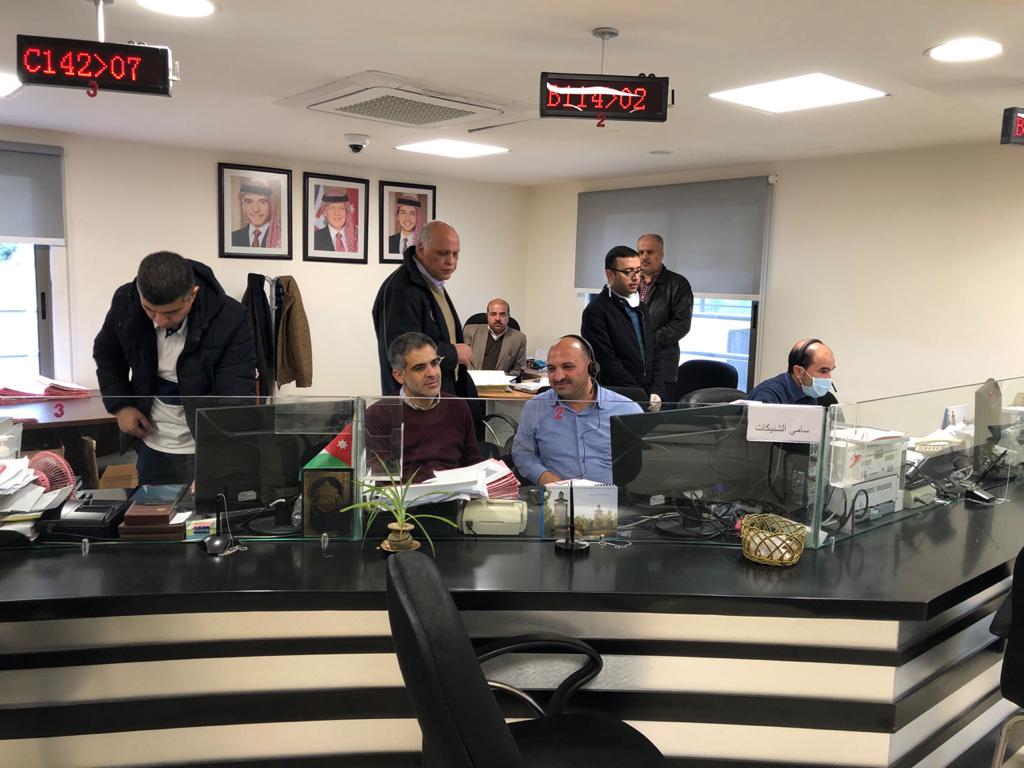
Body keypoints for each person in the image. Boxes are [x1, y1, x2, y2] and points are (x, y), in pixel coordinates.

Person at [93, 251, 257, 485]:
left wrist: (218, 459)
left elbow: (236, 393)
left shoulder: (231, 318)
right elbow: (108, 354)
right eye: (150, 310)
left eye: (171, 313)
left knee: (206, 508)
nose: (159, 321)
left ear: (193, 295)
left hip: (205, 445)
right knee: (151, 507)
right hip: (151, 441)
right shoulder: (126, 301)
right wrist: (121, 406)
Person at [512, 336, 641, 486]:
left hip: (613, 497)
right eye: (551, 369)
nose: (558, 377)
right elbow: (523, 452)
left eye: (567, 367)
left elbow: (645, 464)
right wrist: (542, 476)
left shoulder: (627, 410)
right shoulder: (536, 407)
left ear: (590, 368)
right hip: (558, 496)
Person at [371, 220, 474, 396]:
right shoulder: (402, 289)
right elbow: (402, 352)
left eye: (455, 254)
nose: (451, 261)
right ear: (421, 250)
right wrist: (452, 353)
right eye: (443, 253)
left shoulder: (432, 282)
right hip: (417, 400)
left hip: (438, 394)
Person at [365, 332, 481, 482]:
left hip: (455, 492)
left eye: (434, 363)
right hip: (405, 495)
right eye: (419, 368)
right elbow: (383, 480)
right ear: (399, 376)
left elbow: (473, 462)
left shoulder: (458, 406)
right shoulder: (378, 414)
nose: (432, 373)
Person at [580, 245, 663, 409]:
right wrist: (640, 394)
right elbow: (607, 363)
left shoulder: (642, 308)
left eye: (638, 271)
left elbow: (654, 352)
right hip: (617, 397)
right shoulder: (596, 311)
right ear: (610, 274)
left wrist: (656, 390)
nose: (636, 278)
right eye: (628, 272)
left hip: (646, 397)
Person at [636, 233, 694, 388]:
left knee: (659, 404)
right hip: (630, 366)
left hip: (662, 366)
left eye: (650, 252)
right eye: (640, 252)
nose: (644, 257)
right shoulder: (629, 282)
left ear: (661, 254)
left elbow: (681, 324)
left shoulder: (678, 284)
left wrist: (648, 341)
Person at [747, 338, 838, 406]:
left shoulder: (826, 400)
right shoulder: (768, 397)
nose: (829, 377)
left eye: (831, 370)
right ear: (799, 371)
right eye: (823, 371)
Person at [464, 298, 527, 378]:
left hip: (501, 384)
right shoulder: (470, 331)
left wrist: (498, 379)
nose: (498, 318)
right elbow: (463, 362)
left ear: (508, 317)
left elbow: (518, 370)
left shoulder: (520, 338)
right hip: (472, 382)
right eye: (493, 314)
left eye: (502, 314)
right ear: (487, 316)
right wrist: (477, 378)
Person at [230, 179, 281, 248]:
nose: (256, 209)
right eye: (249, 202)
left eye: (262, 202)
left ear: (271, 206)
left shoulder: (282, 238)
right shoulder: (232, 238)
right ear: (243, 206)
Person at [313, 187, 357, 252]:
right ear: (324, 212)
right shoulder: (314, 239)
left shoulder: (357, 238)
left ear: (347, 211)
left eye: (341, 208)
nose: (337, 213)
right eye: (332, 208)